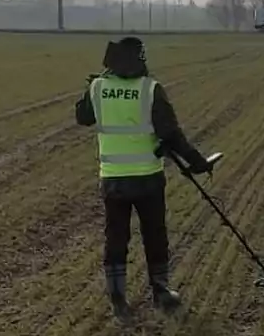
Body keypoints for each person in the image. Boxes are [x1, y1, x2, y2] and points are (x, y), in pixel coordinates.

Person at [75, 36, 213, 320]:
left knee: (116, 238)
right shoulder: (151, 89)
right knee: (154, 235)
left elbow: (83, 117)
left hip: (112, 179)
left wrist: (90, 87)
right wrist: (197, 162)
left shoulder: (98, 87)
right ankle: (161, 291)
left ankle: (118, 299)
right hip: (148, 178)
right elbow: (171, 134)